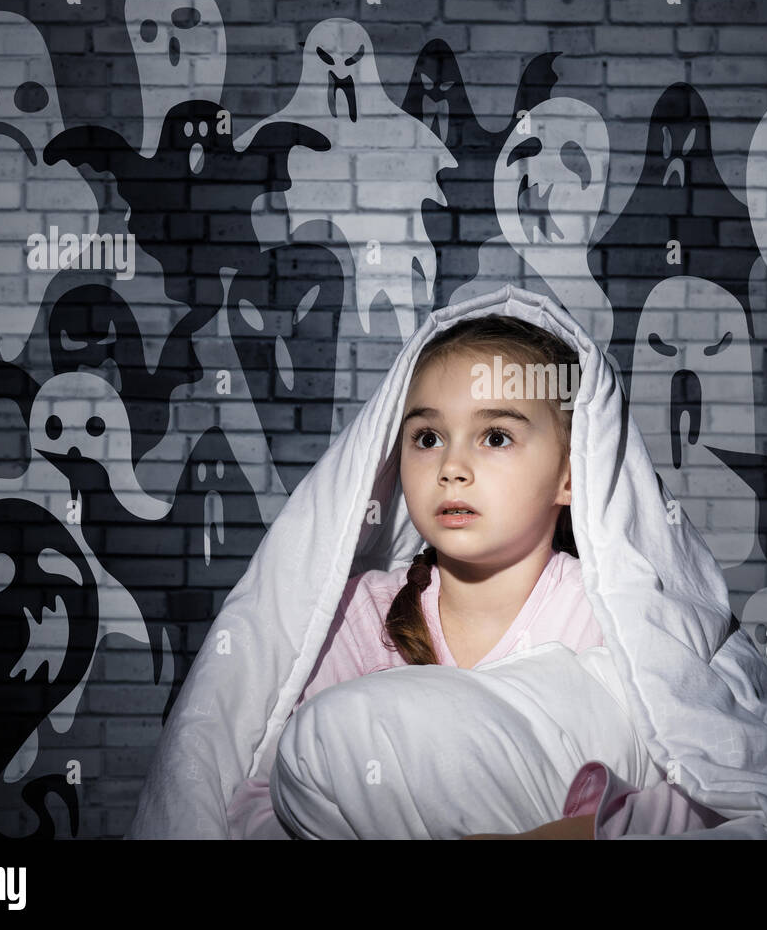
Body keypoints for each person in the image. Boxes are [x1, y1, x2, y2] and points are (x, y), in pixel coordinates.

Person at [226, 314, 728, 839]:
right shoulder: (361, 613)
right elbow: (269, 793)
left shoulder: (610, 612)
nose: (452, 466)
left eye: (494, 436)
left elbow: (707, 791)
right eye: (426, 438)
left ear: (572, 475)